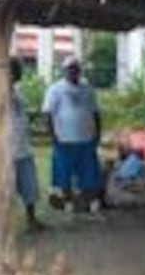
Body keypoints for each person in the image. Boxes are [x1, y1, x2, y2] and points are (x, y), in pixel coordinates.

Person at [0, 58, 46, 232]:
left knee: (30, 188)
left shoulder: (17, 92)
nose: (15, 75)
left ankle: (31, 221)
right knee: (5, 191)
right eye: (12, 71)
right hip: (6, 153)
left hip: (24, 149)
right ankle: (2, 226)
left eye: (16, 71)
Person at [43, 56, 103, 214]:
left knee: (89, 172)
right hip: (64, 139)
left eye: (75, 68)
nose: (73, 71)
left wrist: (98, 133)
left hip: (86, 138)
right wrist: (53, 136)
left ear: (79, 70)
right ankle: (67, 201)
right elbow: (48, 114)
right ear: (64, 71)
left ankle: (90, 202)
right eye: (70, 69)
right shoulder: (55, 89)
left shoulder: (88, 89)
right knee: (64, 173)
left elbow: (96, 112)